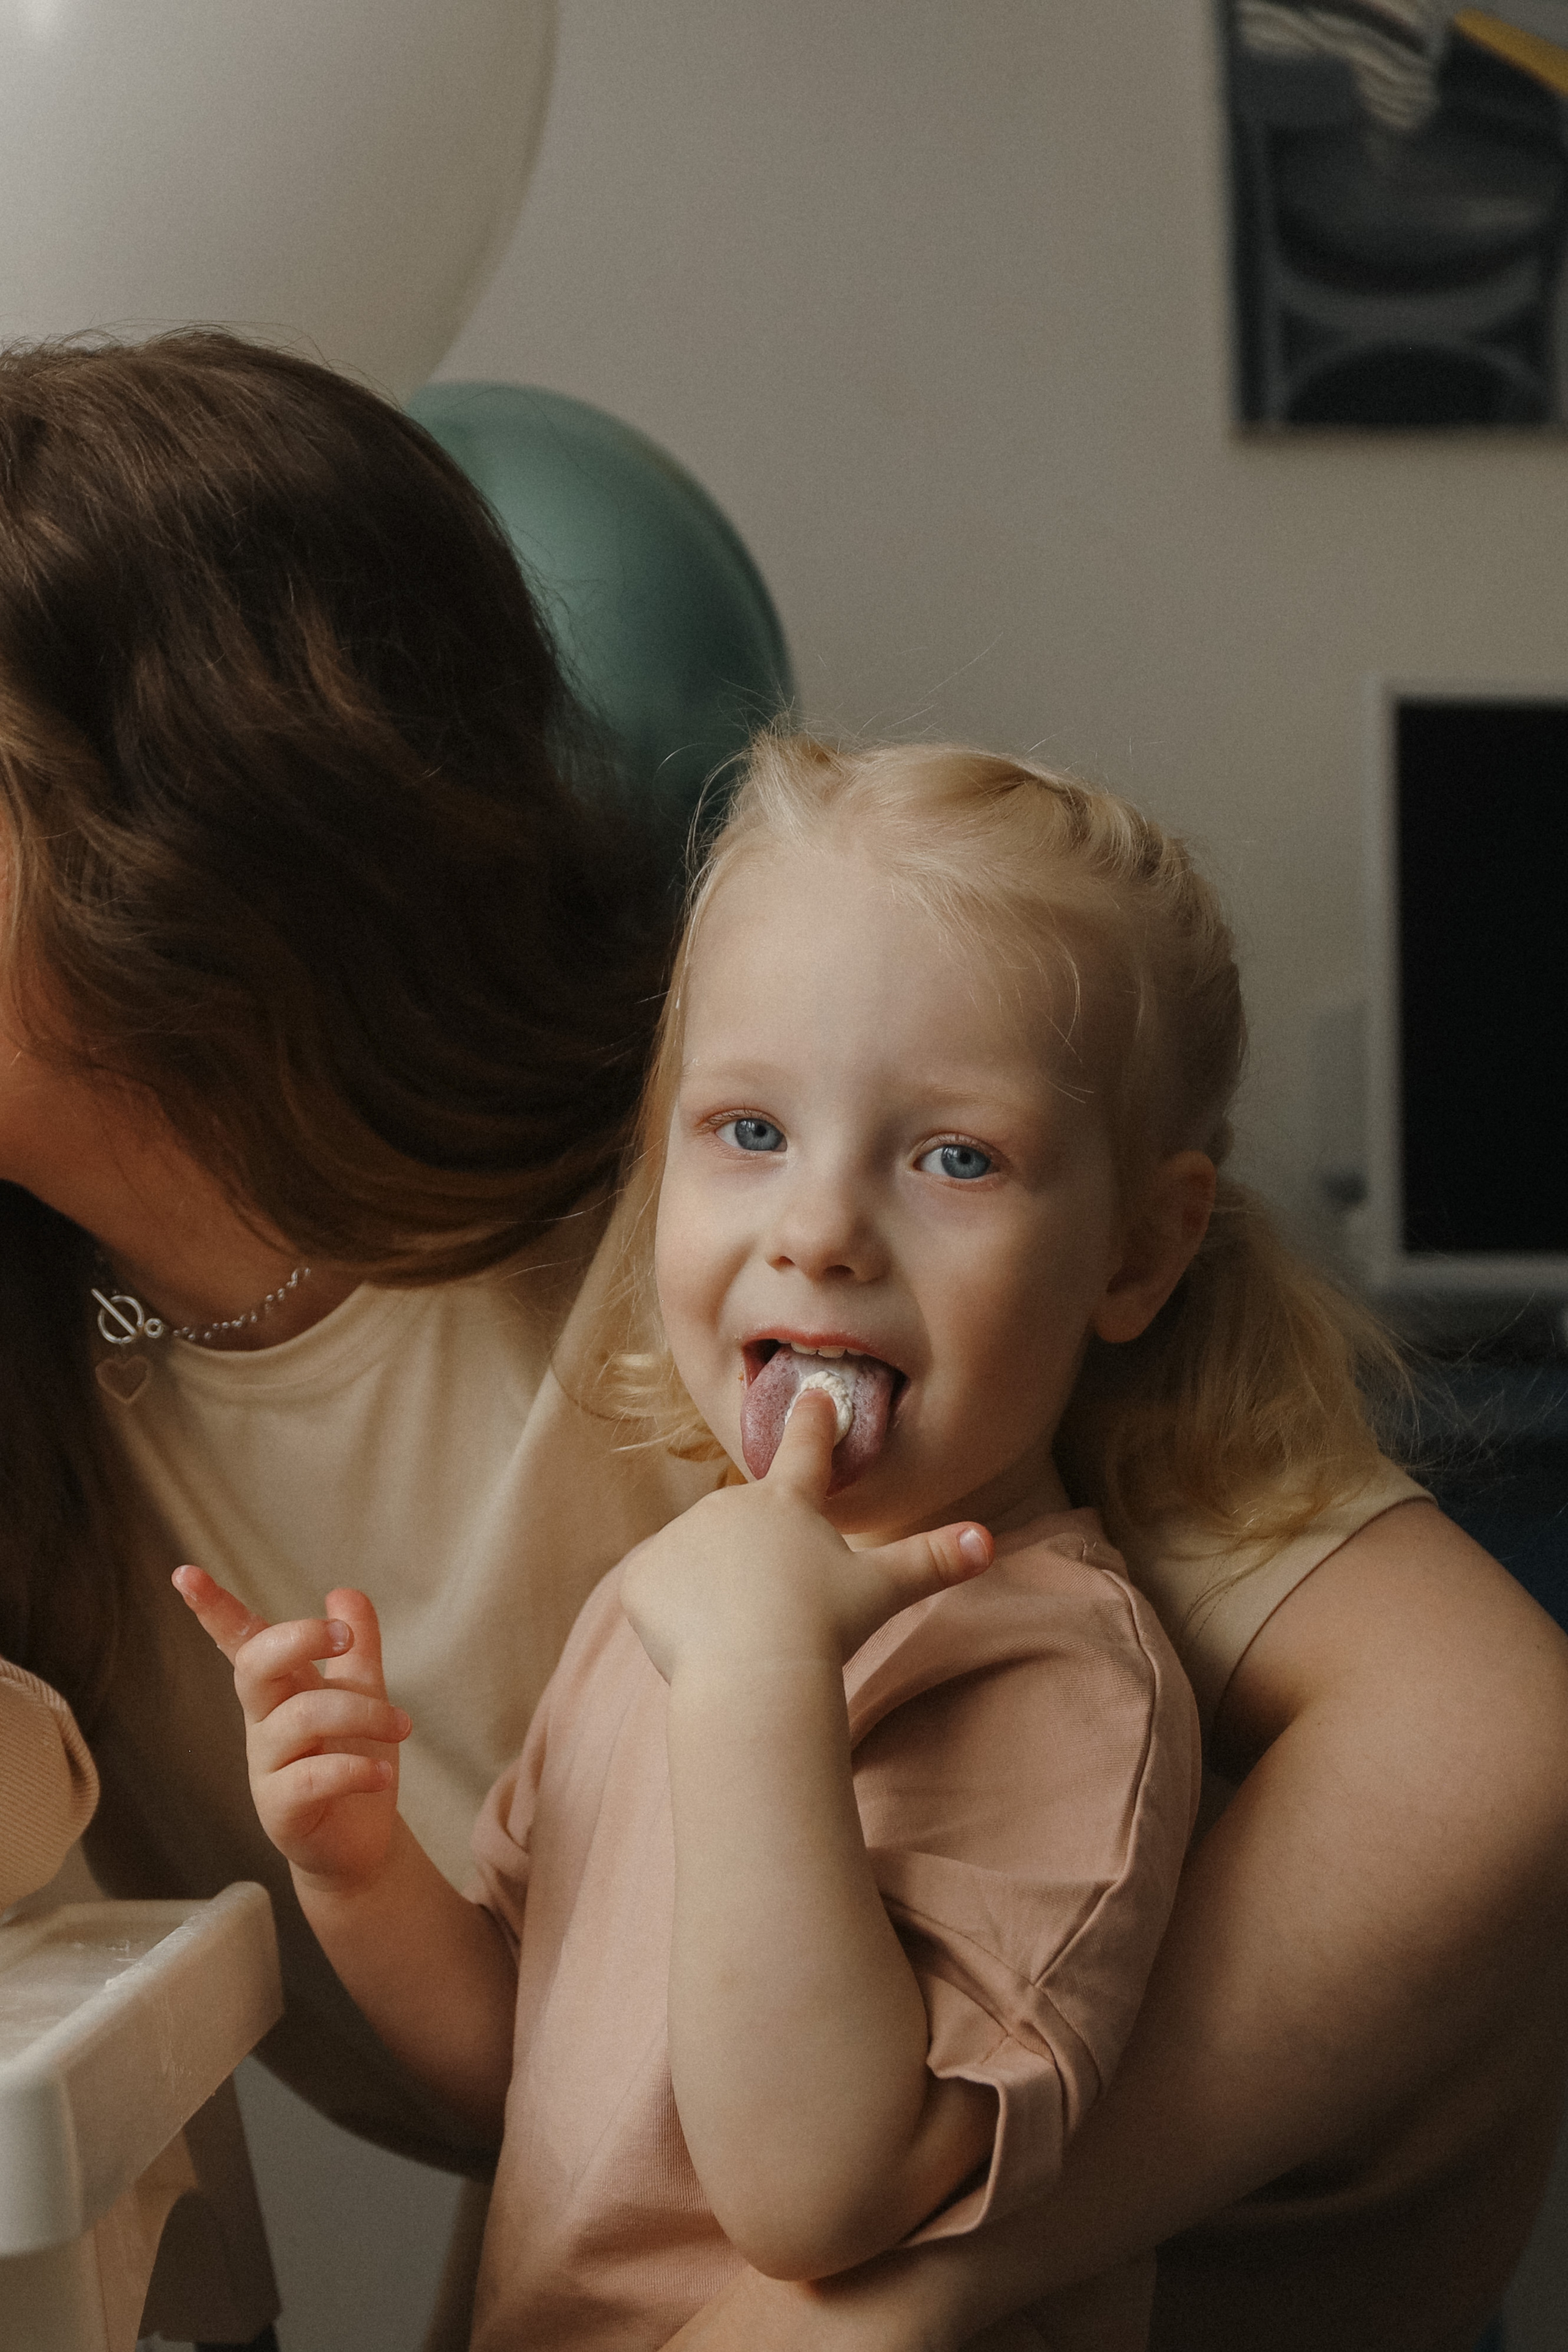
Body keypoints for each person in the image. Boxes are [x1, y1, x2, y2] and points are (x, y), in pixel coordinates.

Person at [0, 329, 1562, 2351]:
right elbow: (561, 2063)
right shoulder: (57, 1366)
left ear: (181, 832)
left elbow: (1489, 1747)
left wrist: (869, 2297)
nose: (819, 1204)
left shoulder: (773, 1228)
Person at [179, 727, 1220, 2347]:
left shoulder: (1059, 1676)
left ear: (1138, 1252)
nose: (819, 1229)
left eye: (956, 1157)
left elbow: (820, 2195)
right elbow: (526, 2083)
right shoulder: (667, 1600)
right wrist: (361, 1871)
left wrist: (754, 1679)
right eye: (749, 1132)